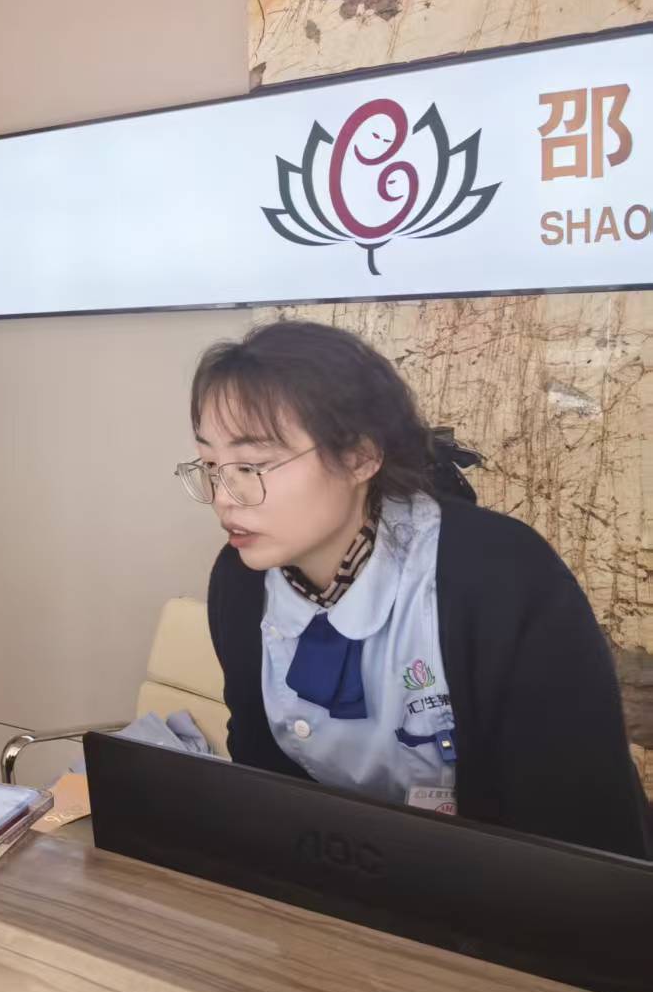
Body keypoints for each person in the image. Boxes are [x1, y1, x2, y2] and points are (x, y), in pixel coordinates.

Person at [182, 320, 649, 860]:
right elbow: (265, 787)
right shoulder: (241, 582)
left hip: (523, 891)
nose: (224, 497)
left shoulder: (499, 577)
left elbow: (579, 831)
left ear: (360, 457)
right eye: (211, 465)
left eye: (253, 465)